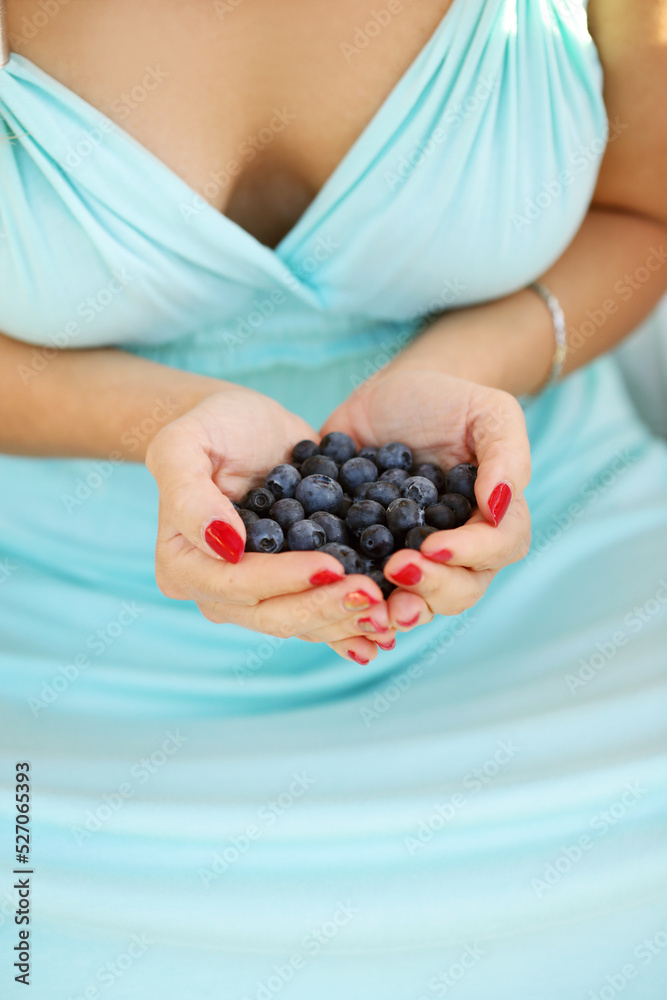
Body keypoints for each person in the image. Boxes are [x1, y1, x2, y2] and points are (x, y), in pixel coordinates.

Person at [0, 1, 666, 997]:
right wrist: (161, 420)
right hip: (68, 630)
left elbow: (643, 216)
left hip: (552, 560)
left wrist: (475, 370)